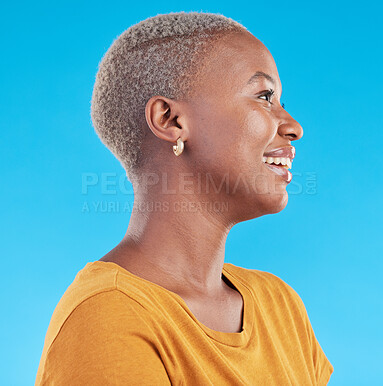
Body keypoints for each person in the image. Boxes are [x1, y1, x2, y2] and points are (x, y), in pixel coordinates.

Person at [35, 11, 334, 385]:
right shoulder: (109, 315)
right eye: (264, 96)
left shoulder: (281, 306)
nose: (293, 126)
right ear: (170, 120)